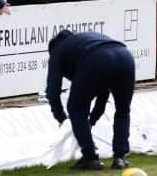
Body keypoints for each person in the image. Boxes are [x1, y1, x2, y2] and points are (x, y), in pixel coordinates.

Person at [46, 30, 135, 170]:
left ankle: (90, 158)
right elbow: (103, 91)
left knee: (76, 109)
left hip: (97, 58)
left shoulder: (58, 51)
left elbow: (52, 90)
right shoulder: (83, 42)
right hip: (125, 56)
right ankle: (120, 157)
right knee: (123, 110)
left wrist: (61, 117)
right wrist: (92, 120)